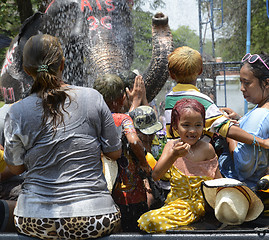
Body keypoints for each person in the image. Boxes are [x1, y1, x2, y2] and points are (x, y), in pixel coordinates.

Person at [4, 34, 122, 240]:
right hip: (95, 218)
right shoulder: (93, 97)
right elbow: (114, 152)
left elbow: (16, 168)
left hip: (35, 220)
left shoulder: (16, 112)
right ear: (63, 64)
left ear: (25, 70)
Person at [137, 98, 222, 233]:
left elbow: (218, 180)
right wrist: (173, 156)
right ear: (175, 127)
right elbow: (156, 175)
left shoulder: (207, 148)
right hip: (175, 204)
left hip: (197, 206)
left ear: (204, 126)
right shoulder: (171, 146)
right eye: (186, 125)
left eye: (198, 125)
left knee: (148, 221)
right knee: (146, 220)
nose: (192, 131)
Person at [165, 46, 269, 151]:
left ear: (171, 75)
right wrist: (262, 142)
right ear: (200, 70)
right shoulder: (202, 101)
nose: (242, 88)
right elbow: (226, 129)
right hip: (198, 160)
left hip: (175, 159)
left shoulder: (169, 98)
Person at [93, 74, 151, 232]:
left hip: (103, 190)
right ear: (122, 97)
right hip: (130, 193)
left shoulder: (92, 118)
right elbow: (133, 141)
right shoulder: (123, 119)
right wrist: (144, 163)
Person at [218, 53, 269, 189]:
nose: (242, 88)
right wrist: (240, 120)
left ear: (266, 83)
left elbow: (243, 167)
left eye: (247, 82)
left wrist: (229, 131)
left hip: (238, 188)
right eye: (240, 82)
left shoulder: (260, 115)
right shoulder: (261, 110)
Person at [129, 105, 165, 209]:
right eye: (146, 134)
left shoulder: (159, 140)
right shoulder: (130, 147)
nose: (151, 136)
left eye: (153, 132)